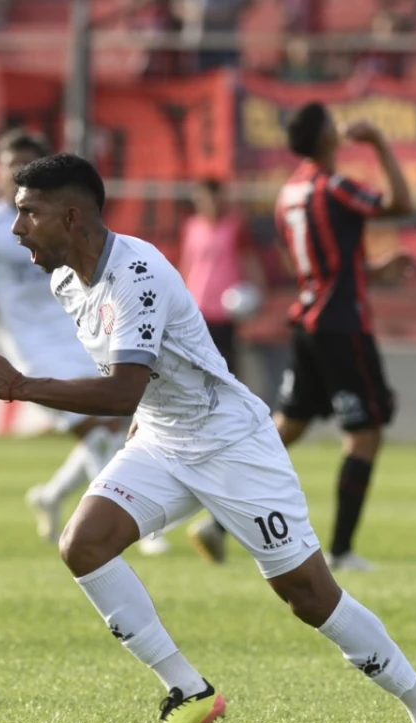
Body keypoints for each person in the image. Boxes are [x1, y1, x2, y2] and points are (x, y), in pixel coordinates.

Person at [0, 152, 416, 723]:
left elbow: (124, 385)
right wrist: (136, 432)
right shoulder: (66, 280)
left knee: (309, 595)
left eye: (28, 213)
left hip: (230, 444)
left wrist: (22, 386)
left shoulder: (137, 273)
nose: (17, 228)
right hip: (161, 439)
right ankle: (188, 690)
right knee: (84, 543)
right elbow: (140, 388)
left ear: (71, 217)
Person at [0, 130, 168, 555]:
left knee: (112, 425)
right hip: (31, 346)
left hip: (76, 332)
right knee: (99, 428)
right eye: (9, 163)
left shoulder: (63, 220)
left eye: (23, 164)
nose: (13, 172)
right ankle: (136, 524)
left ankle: (52, 495)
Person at [271, 102, 416, 572]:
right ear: (328, 138)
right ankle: (341, 550)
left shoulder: (288, 195)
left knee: (285, 428)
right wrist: (377, 142)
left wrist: (368, 270)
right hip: (341, 326)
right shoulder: (333, 186)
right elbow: (401, 205)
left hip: (309, 320)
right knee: (365, 433)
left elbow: (311, 269)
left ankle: (210, 516)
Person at [178, 178, 265, 563]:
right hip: (195, 317)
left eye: (212, 194)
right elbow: (186, 265)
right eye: (202, 195)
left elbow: (249, 265)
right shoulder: (192, 227)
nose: (207, 202)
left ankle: (216, 426)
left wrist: (255, 294)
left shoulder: (235, 227)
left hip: (225, 317)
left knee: (223, 384)